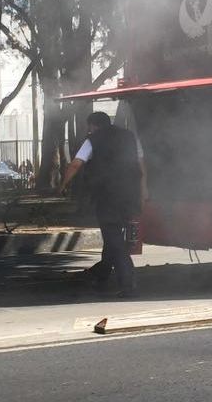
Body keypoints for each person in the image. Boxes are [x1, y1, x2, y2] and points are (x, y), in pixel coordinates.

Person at [58, 112, 147, 298]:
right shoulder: (130, 137)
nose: (88, 129)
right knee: (112, 236)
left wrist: (63, 185)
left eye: (89, 126)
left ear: (93, 125)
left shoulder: (93, 140)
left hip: (107, 196)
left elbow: (76, 164)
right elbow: (141, 165)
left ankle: (128, 282)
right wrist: (143, 190)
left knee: (113, 237)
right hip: (129, 195)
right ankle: (102, 275)